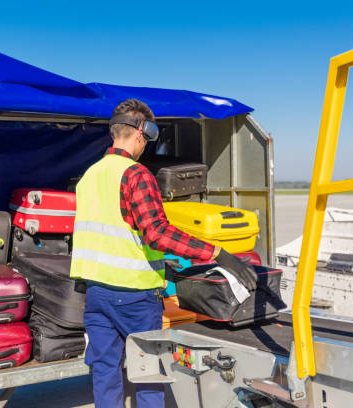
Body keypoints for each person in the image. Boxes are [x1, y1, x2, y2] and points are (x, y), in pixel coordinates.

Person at [70, 98, 257, 408]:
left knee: (105, 371)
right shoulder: (136, 174)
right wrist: (218, 253)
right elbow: (156, 233)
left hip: (96, 294)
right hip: (134, 296)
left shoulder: (89, 176)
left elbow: (113, 233)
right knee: (149, 374)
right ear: (140, 133)